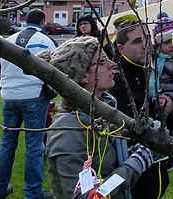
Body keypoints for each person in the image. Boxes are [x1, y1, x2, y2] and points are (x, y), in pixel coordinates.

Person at [42, 37, 157, 199]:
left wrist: (140, 151)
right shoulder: (68, 131)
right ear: (82, 75)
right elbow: (86, 196)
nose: (112, 64)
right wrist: (134, 165)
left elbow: (105, 165)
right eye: (102, 62)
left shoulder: (99, 115)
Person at [0, 8, 56, 199]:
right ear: (42, 22)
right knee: (34, 145)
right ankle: (33, 191)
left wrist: (3, 86)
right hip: (35, 96)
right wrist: (50, 92)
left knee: (7, 142)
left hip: (10, 97)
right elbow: (56, 68)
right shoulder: (46, 41)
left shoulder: (9, 40)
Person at [108, 19, 170, 199]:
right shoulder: (118, 82)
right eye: (137, 41)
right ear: (121, 49)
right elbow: (136, 130)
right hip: (136, 179)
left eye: (147, 38)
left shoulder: (147, 71)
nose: (145, 45)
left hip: (152, 173)